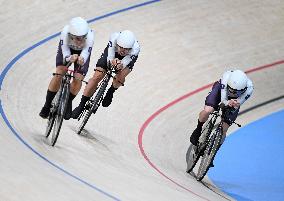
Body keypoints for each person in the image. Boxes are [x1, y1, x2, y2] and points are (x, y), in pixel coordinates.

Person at [72, 30, 140, 119]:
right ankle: (81, 105)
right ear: (117, 44)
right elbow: (109, 58)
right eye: (121, 47)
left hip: (126, 59)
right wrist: (112, 62)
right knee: (97, 76)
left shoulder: (135, 49)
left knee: (120, 76)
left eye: (126, 49)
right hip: (112, 54)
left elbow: (124, 63)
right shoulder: (114, 38)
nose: (123, 51)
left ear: (130, 48)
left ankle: (111, 91)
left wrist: (120, 65)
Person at [190, 70, 254, 159]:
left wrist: (232, 104)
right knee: (208, 110)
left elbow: (238, 104)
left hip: (235, 101)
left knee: (225, 127)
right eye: (232, 90)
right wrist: (226, 103)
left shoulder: (249, 88)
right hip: (220, 91)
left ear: (244, 89)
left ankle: (213, 154)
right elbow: (223, 100)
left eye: (237, 92)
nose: (233, 93)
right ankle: (198, 128)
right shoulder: (226, 78)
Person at [39, 17, 94, 120]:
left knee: (78, 78)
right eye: (78, 38)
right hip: (67, 51)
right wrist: (70, 58)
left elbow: (86, 53)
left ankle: (68, 101)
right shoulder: (65, 33)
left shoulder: (90, 35)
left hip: (81, 54)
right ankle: (47, 105)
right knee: (60, 72)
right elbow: (65, 54)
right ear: (71, 35)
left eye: (83, 37)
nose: (81, 40)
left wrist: (81, 59)